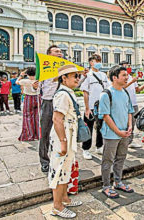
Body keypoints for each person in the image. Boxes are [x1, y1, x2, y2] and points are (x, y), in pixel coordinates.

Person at [48, 65, 83, 218]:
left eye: (78, 76)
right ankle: (57, 206)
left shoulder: (69, 93)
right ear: (64, 78)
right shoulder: (62, 94)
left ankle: (64, 199)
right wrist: (63, 141)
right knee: (59, 169)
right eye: (74, 76)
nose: (77, 79)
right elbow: (57, 119)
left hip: (69, 134)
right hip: (62, 136)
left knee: (66, 168)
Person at [99, 66, 135, 198]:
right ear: (115, 78)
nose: (127, 78)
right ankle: (106, 185)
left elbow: (130, 111)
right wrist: (118, 131)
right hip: (111, 134)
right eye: (124, 75)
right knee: (108, 160)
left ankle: (118, 181)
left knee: (121, 157)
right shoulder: (106, 94)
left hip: (125, 132)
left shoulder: (125, 92)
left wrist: (129, 126)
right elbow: (105, 116)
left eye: (127, 75)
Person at [80, 54, 110, 159]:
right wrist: (87, 108)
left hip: (102, 106)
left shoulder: (104, 75)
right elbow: (85, 92)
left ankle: (99, 146)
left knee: (101, 127)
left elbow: (108, 89)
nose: (97, 62)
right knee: (88, 128)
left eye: (99, 60)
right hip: (91, 106)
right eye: (95, 60)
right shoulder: (88, 75)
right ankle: (86, 149)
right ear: (90, 62)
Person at [39, 45, 63, 172]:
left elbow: (74, 85)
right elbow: (37, 88)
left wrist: (82, 76)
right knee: (45, 133)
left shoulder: (65, 67)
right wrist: (34, 86)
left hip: (62, 102)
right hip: (48, 102)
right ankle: (44, 160)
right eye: (56, 51)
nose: (59, 53)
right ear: (49, 54)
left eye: (60, 51)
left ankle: (59, 158)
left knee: (62, 132)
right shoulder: (44, 67)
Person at [122, 61, 144, 148]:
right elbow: (121, 87)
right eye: (126, 66)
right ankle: (123, 142)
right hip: (124, 104)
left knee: (132, 123)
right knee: (124, 124)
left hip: (133, 103)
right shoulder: (122, 77)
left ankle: (130, 141)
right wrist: (131, 81)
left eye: (128, 66)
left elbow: (137, 90)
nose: (128, 67)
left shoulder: (131, 77)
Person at [17, 67, 40, 141]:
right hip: (38, 98)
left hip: (29, 98)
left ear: (27, 74)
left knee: (28, 116)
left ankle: (30, 134)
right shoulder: (39, 80)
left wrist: (21, 75)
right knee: (37, 116)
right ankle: (38, 134)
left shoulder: (25, 81)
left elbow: (17, 82)